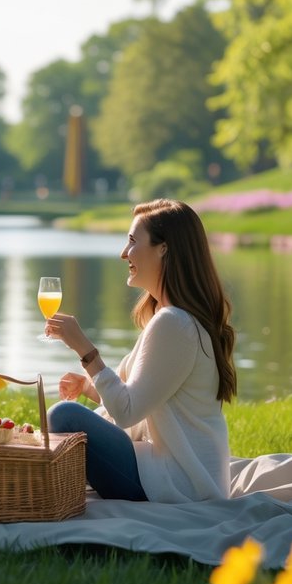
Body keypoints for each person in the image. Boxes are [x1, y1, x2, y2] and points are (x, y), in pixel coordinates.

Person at [43, 198, 237, 503]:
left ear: (164, 248)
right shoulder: (173, 318)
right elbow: (137, 396)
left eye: (133, 241)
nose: (124, 253)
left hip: (179, 482)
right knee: (66, 416)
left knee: (65, 416)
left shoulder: (175, 324)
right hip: (177, 475)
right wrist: (89, 387)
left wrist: (84, 349)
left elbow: (127, 412)